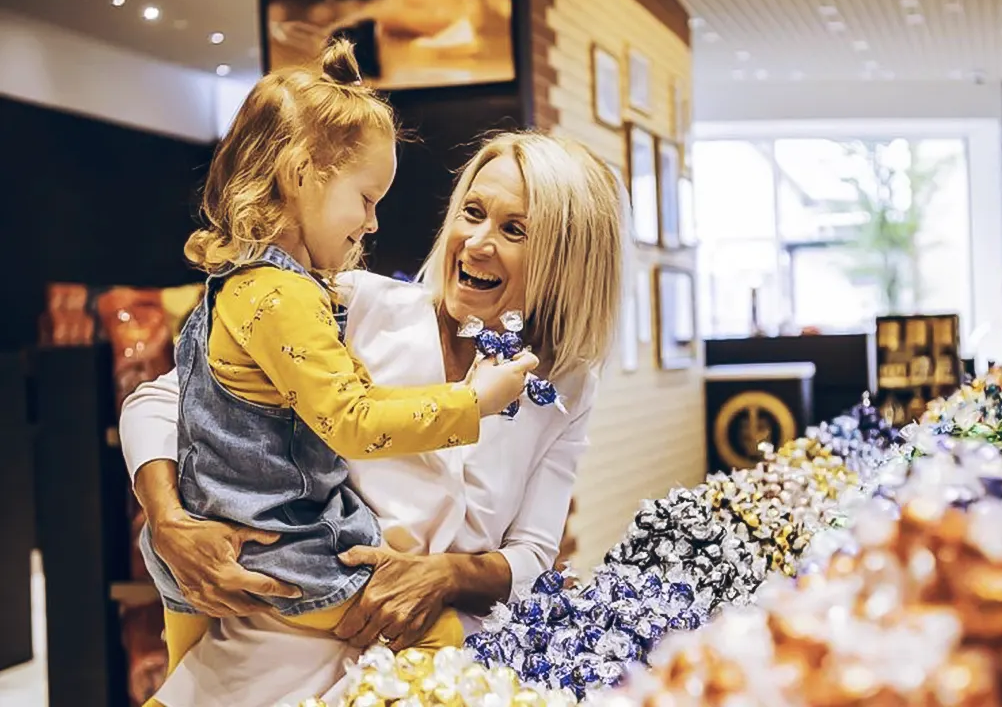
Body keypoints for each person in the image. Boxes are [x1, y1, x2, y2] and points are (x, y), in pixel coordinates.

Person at [120, 128, 625, 705]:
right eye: (473, 213)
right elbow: (161, 401)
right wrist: (168, 519)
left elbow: (533, 555)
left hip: (435, 672)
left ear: (570, 259)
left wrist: (445, 575)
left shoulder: (568, 383)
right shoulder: (350, 302)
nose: (477, 243)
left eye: (515, 230)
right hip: (273, 649)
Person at [137, 37, 539, 682]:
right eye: (367, 198)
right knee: (440, 647)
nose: (374, 223)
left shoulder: (240, 284)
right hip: (281, 544)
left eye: (516, 229)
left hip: (217, 543)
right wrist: (475, 401)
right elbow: (352, 419)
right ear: (301, 175)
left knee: (192, 679)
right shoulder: (284, 297)